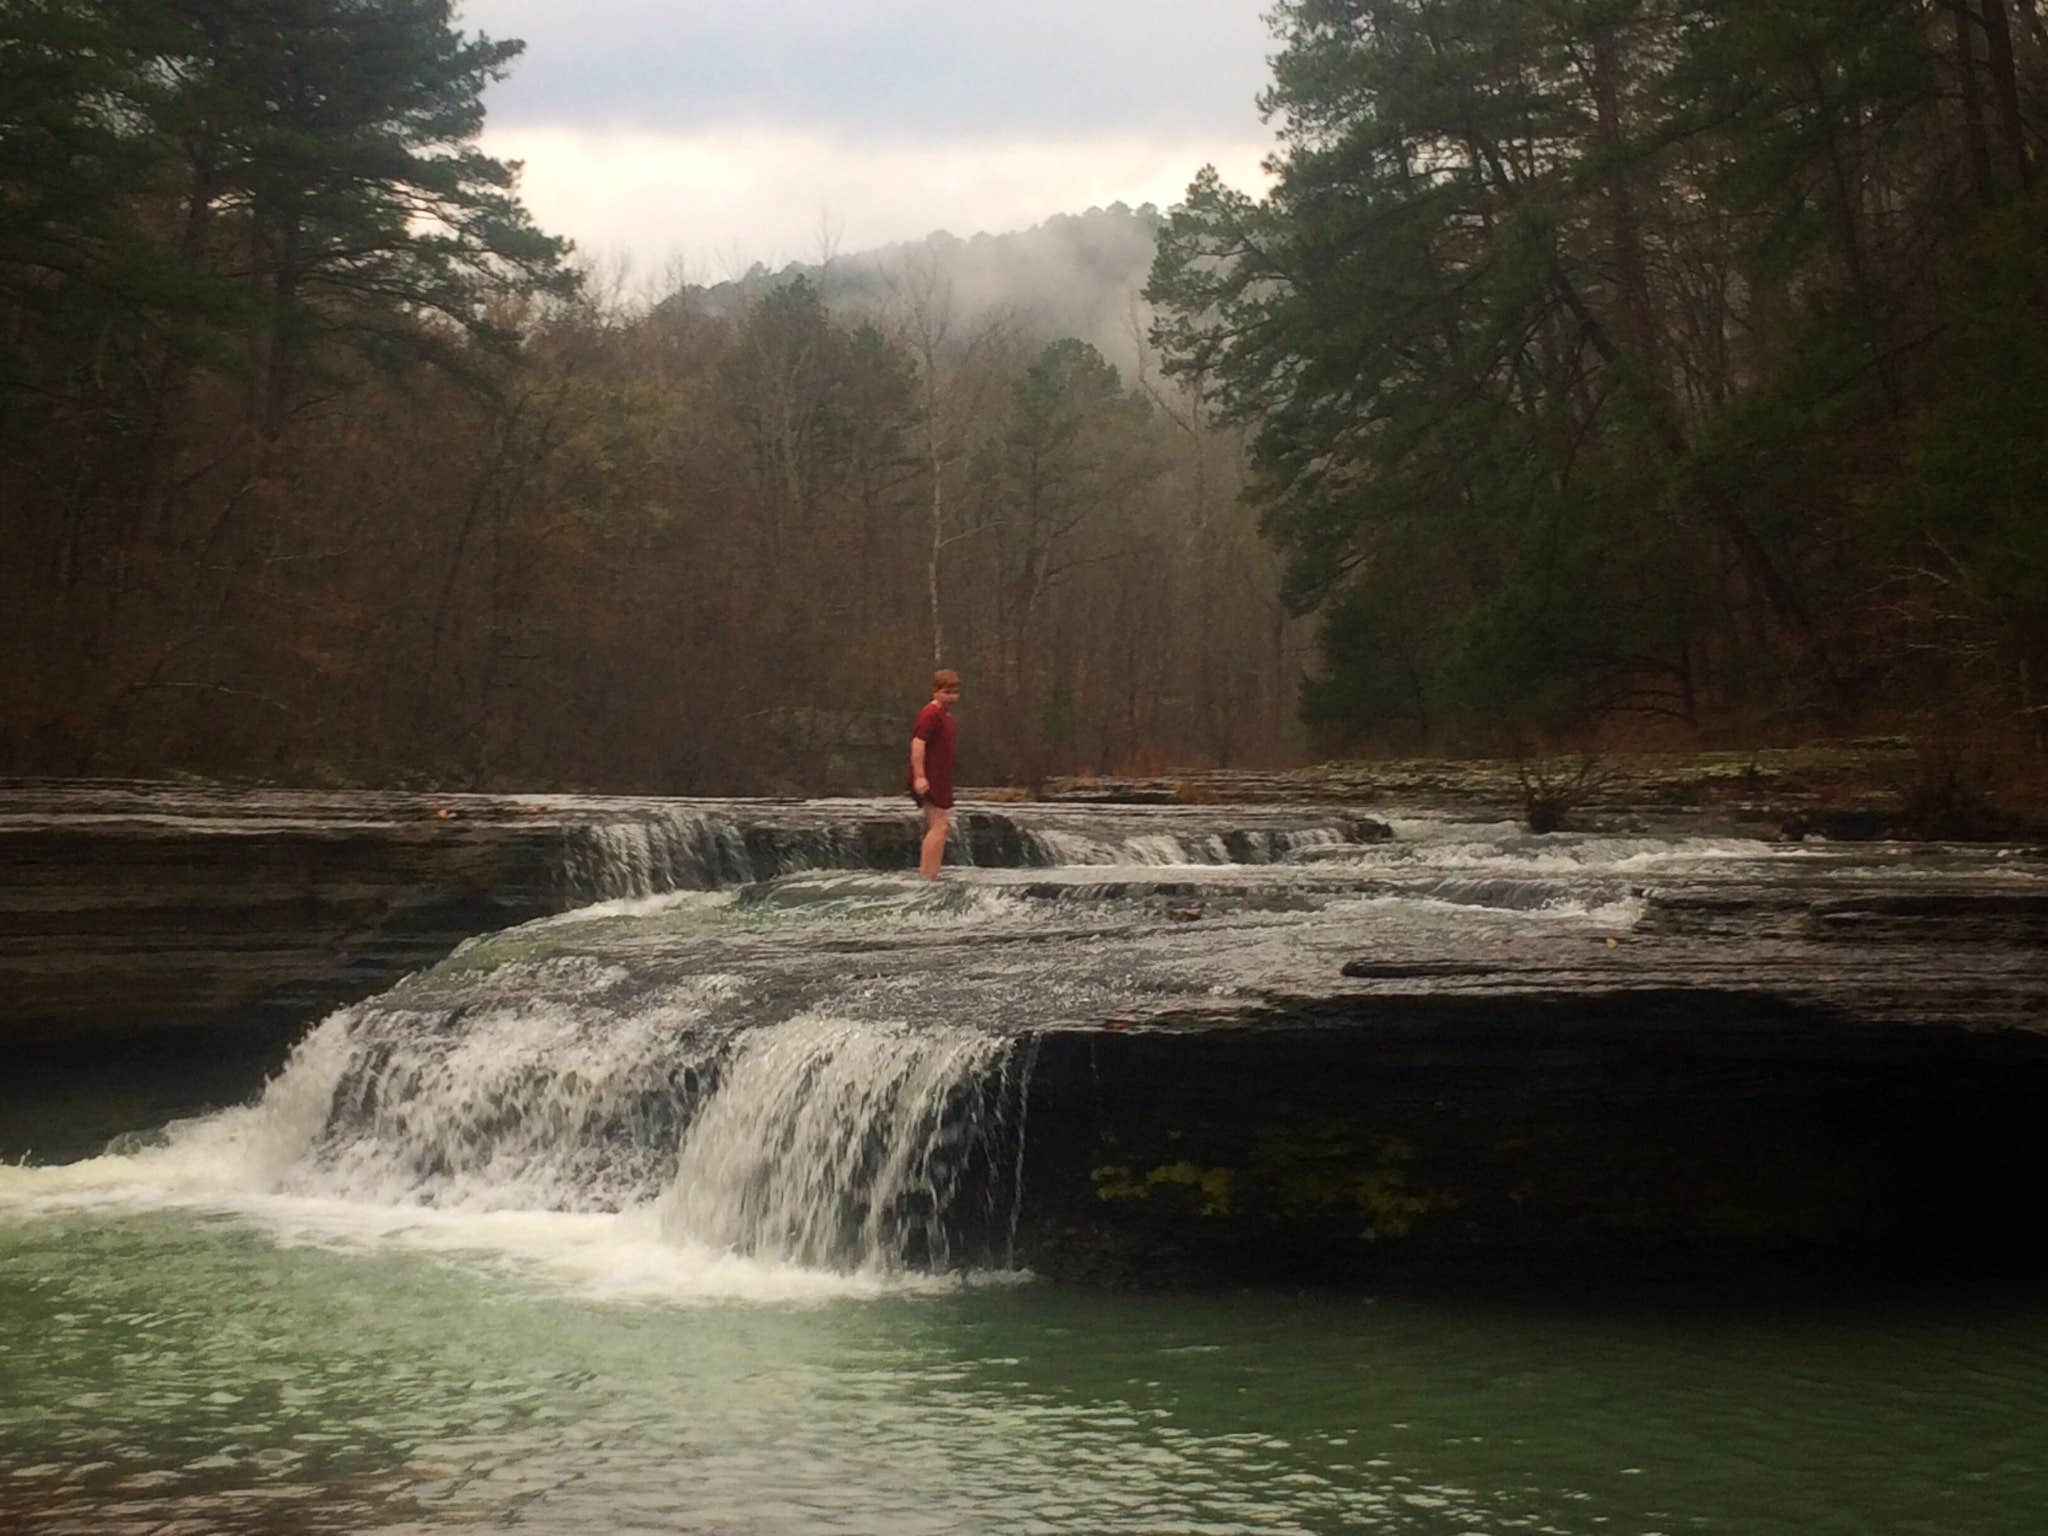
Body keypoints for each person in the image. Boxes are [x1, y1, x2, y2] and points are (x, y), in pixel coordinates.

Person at [907, 669, 961, 878]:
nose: (952, 697)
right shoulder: (929, 714)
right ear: (935, 691)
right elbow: (918, 744)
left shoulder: (944, 716)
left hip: (941, 778)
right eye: (947, 692)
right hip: (929, 778)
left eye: (955, 692)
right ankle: (928, 876)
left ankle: (931, 873)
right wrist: (920, 776)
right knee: (940, 826)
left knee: (941, 826)